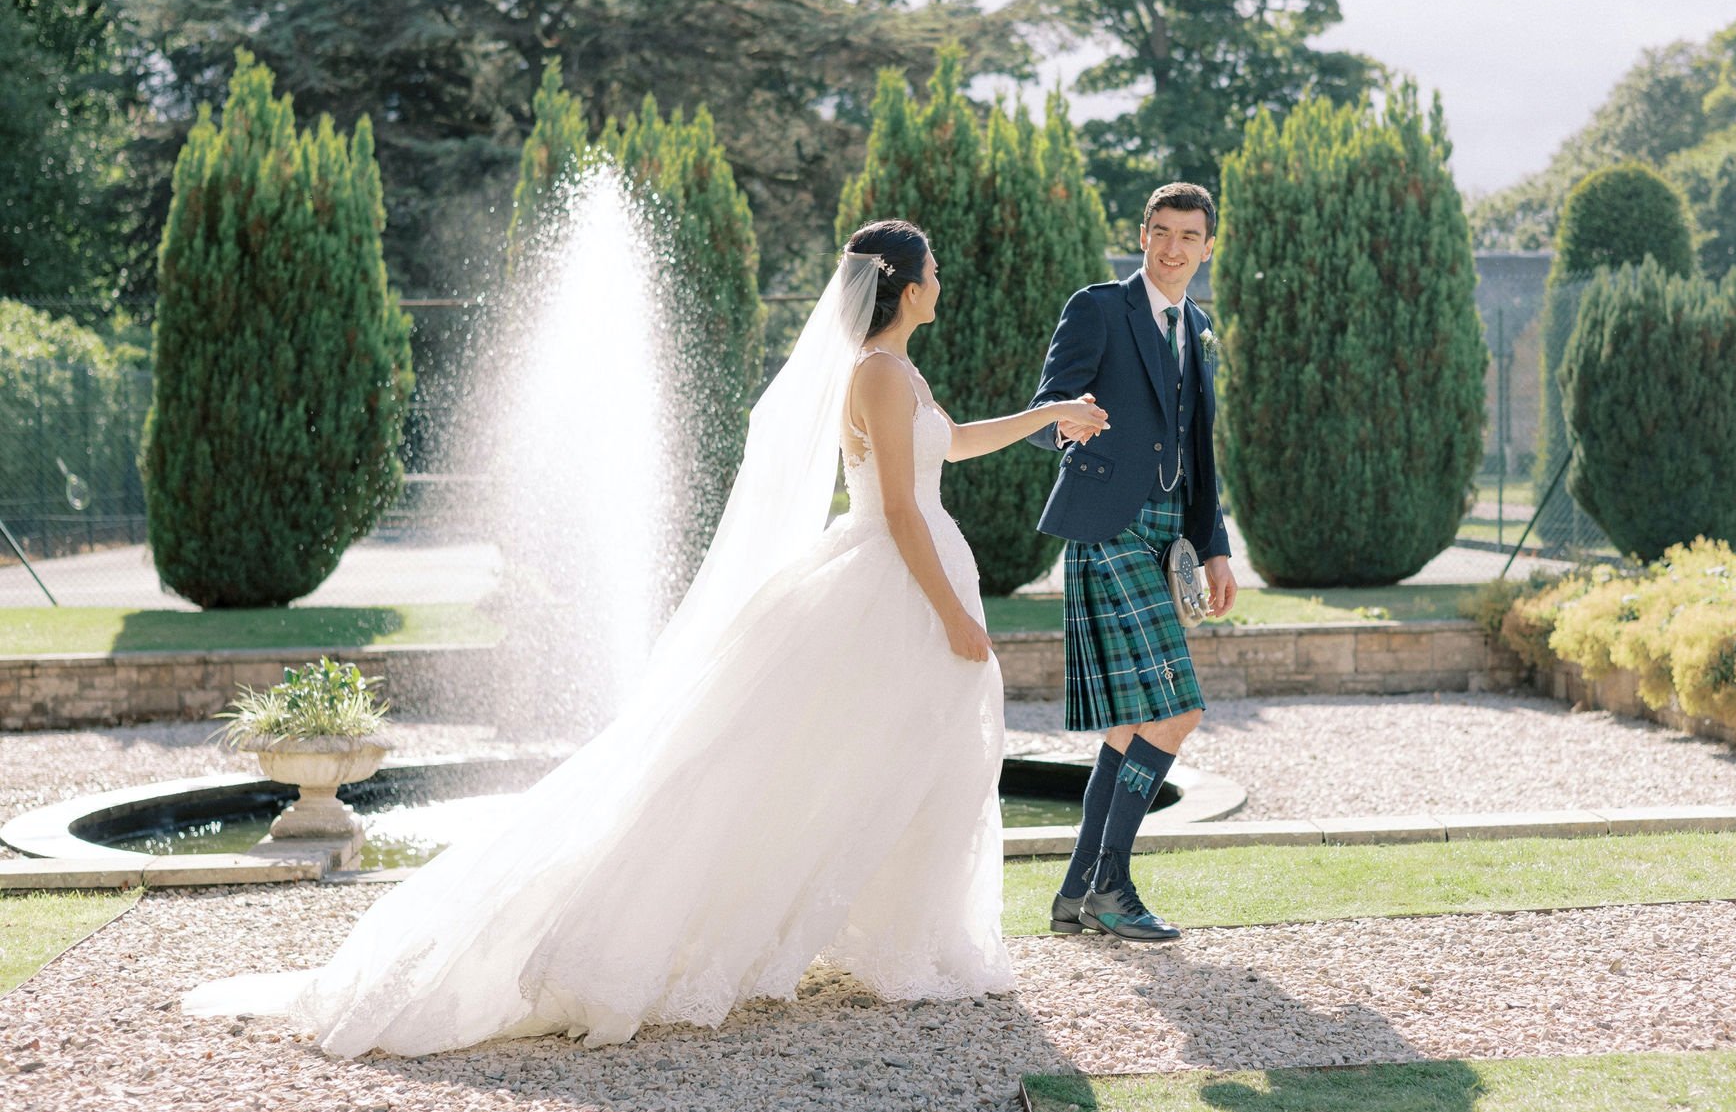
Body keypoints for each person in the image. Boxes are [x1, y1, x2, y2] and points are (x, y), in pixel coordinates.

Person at [183, 219, 1108, 1057]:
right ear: (905, 287)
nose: (942, 282)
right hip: (894, 584)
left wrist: (1048, 417)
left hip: (899, 579)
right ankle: (832, 936)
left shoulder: (897, 371)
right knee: (861, 757)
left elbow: (949, 447)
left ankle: (906, 938)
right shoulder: (875, 373)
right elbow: (902, 509)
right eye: (934, 271)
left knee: (907, 760)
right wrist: (950, 611)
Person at [1028, 182, 1237, 944]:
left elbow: (1199, 453)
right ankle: (1112, 887)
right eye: (1161, 232)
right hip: (1107, 525)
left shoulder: (1198, 326)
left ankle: (1076, 893)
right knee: (1176, 711)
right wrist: (1067, 422)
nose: (1174, 247)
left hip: (1167, 536)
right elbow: (1048, 405)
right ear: (1141, 235)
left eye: (1189, 236)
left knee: (1127, 729)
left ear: (1207, 248)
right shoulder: (1098, 308)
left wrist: (1214, 547)